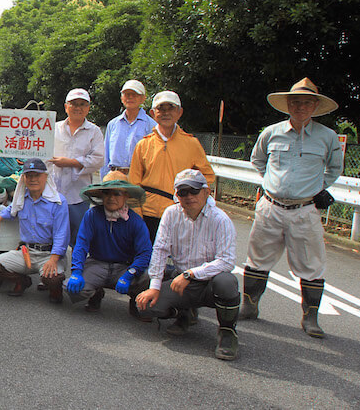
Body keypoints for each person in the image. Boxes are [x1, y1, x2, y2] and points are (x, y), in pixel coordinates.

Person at [240, 78, 343, 338]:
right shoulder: (271, 132)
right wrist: (275, 184)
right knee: (257, 259)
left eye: (307, 102)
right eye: (296, 102)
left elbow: (335, 168)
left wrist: (316, 188)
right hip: (270, 207)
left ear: (315, 106)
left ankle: (311, 318)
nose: (301, 107)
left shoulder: (327, 137)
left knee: (311, 264)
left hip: (305, 211)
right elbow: (258, 160)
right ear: (288, 104)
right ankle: (250, 306)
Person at [135, 169, 240, 361]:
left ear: (206, 192)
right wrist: (155, 287)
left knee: (227, 282)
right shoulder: (170, 214)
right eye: (183, 192)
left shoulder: (220, 219)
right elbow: (160, 250)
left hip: (209, 282)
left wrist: (191, 274)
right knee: (147, 306)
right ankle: (185, 312)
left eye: (194, 191)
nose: (189, 196)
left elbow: (226, 261)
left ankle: (227, 332)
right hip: (183, 281)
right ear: (176, 195)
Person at [128, 90, 215, 242]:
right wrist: (137, 213)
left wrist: (191, 196)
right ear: (153, 113)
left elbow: (207, 176)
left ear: (179, 112)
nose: (166, 113)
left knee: (178, 259)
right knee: (148, 258)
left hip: (180, 211)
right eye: (161, 109)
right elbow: (134, 183)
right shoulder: (143, 144)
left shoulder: (191, 144)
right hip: (148, 212)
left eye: (171, 108)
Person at [64, 171, 153, 314]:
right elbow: (81, 245)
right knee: (71, 287)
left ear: (126, 195)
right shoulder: (92, 215)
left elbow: (145, 253)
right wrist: (76, 271)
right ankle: (95, 293)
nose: (111, 198)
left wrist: (130, 273)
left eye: (117, 193)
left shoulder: (136, 221)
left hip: (125, 267)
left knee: (149, 276)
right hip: (97, 263)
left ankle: (136, 299)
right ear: (101, 196)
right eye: (107, 193)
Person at [0, 158, 70, 303]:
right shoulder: (21, 198)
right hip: (27, 252)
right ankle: (22, 281)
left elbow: (62, 235)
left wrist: (53, 259)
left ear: (45, 177)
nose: (32, 179)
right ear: (23, 178)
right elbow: (11, 209)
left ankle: (55, 290)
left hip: (49, 254)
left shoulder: (58, 202)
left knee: (53, 279)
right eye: (29, 176)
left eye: (36, 175)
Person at [48, 88, 104, 246]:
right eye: (74, 104)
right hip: (54, 194)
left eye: (82, 104)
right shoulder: (53, 128)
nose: (78, 108)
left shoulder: (94, 132)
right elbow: (36, 151)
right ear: (66, 107)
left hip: (79, 196)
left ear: (88, 108)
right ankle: (53, 269)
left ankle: (75, 269)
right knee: (54, 236)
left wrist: (71, 162)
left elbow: (98, 160)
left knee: (78, 238)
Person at [100, 79, 156, 179]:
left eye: (135, 94)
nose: (130, 97)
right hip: (114, 176)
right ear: (121, 98)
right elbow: (105, 155)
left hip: (139, 176)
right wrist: (104, 179)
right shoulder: (113, 124)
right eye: (127, 94)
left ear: (143, 98)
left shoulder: (151, 125)